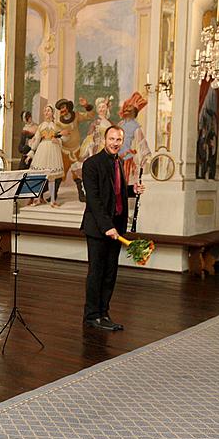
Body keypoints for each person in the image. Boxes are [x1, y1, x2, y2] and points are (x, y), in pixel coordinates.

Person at [81, 125, 146, 331]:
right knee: (97, 272)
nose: (115, 143)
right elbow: (94, 199)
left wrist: (131, 190)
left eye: (119, 140)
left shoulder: (118, 162)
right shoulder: (91, 164)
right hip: (99, 228)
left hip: (116, 227)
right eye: (112, 139)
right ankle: (92, 315)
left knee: (110, 273)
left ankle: (104, 313)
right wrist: (107, 227)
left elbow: (114, 192)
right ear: (105, 140)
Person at [26, 105, 63, 206]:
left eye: (48, 110)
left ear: (52, 113)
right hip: (42, 149)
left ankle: (52, 200)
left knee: (52, 177)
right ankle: (37, 199)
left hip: (53, 150)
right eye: (45, 110)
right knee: (39, 175)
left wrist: (57, 140)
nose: (46, 112)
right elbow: (37, 139)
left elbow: (61, 139)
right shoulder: (41, 126)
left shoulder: (56, 126)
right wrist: (31, 153)